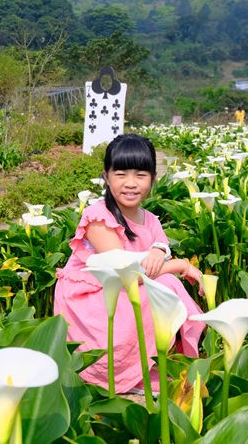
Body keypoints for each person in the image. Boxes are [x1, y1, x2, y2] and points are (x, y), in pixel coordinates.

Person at [54, 134, 206, 393]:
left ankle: (148, 365)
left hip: (124, 291)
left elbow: (159, 245)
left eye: (141, 175)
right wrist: (181, 266)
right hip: (94, 301)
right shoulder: (98, 217)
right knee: (166, 284)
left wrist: (161, 252)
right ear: (106, 176)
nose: (131, 184)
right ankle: (123, 371)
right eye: (121, 174)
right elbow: (126, 273)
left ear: (153, 179)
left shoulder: (150, 219)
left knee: (165, 285)